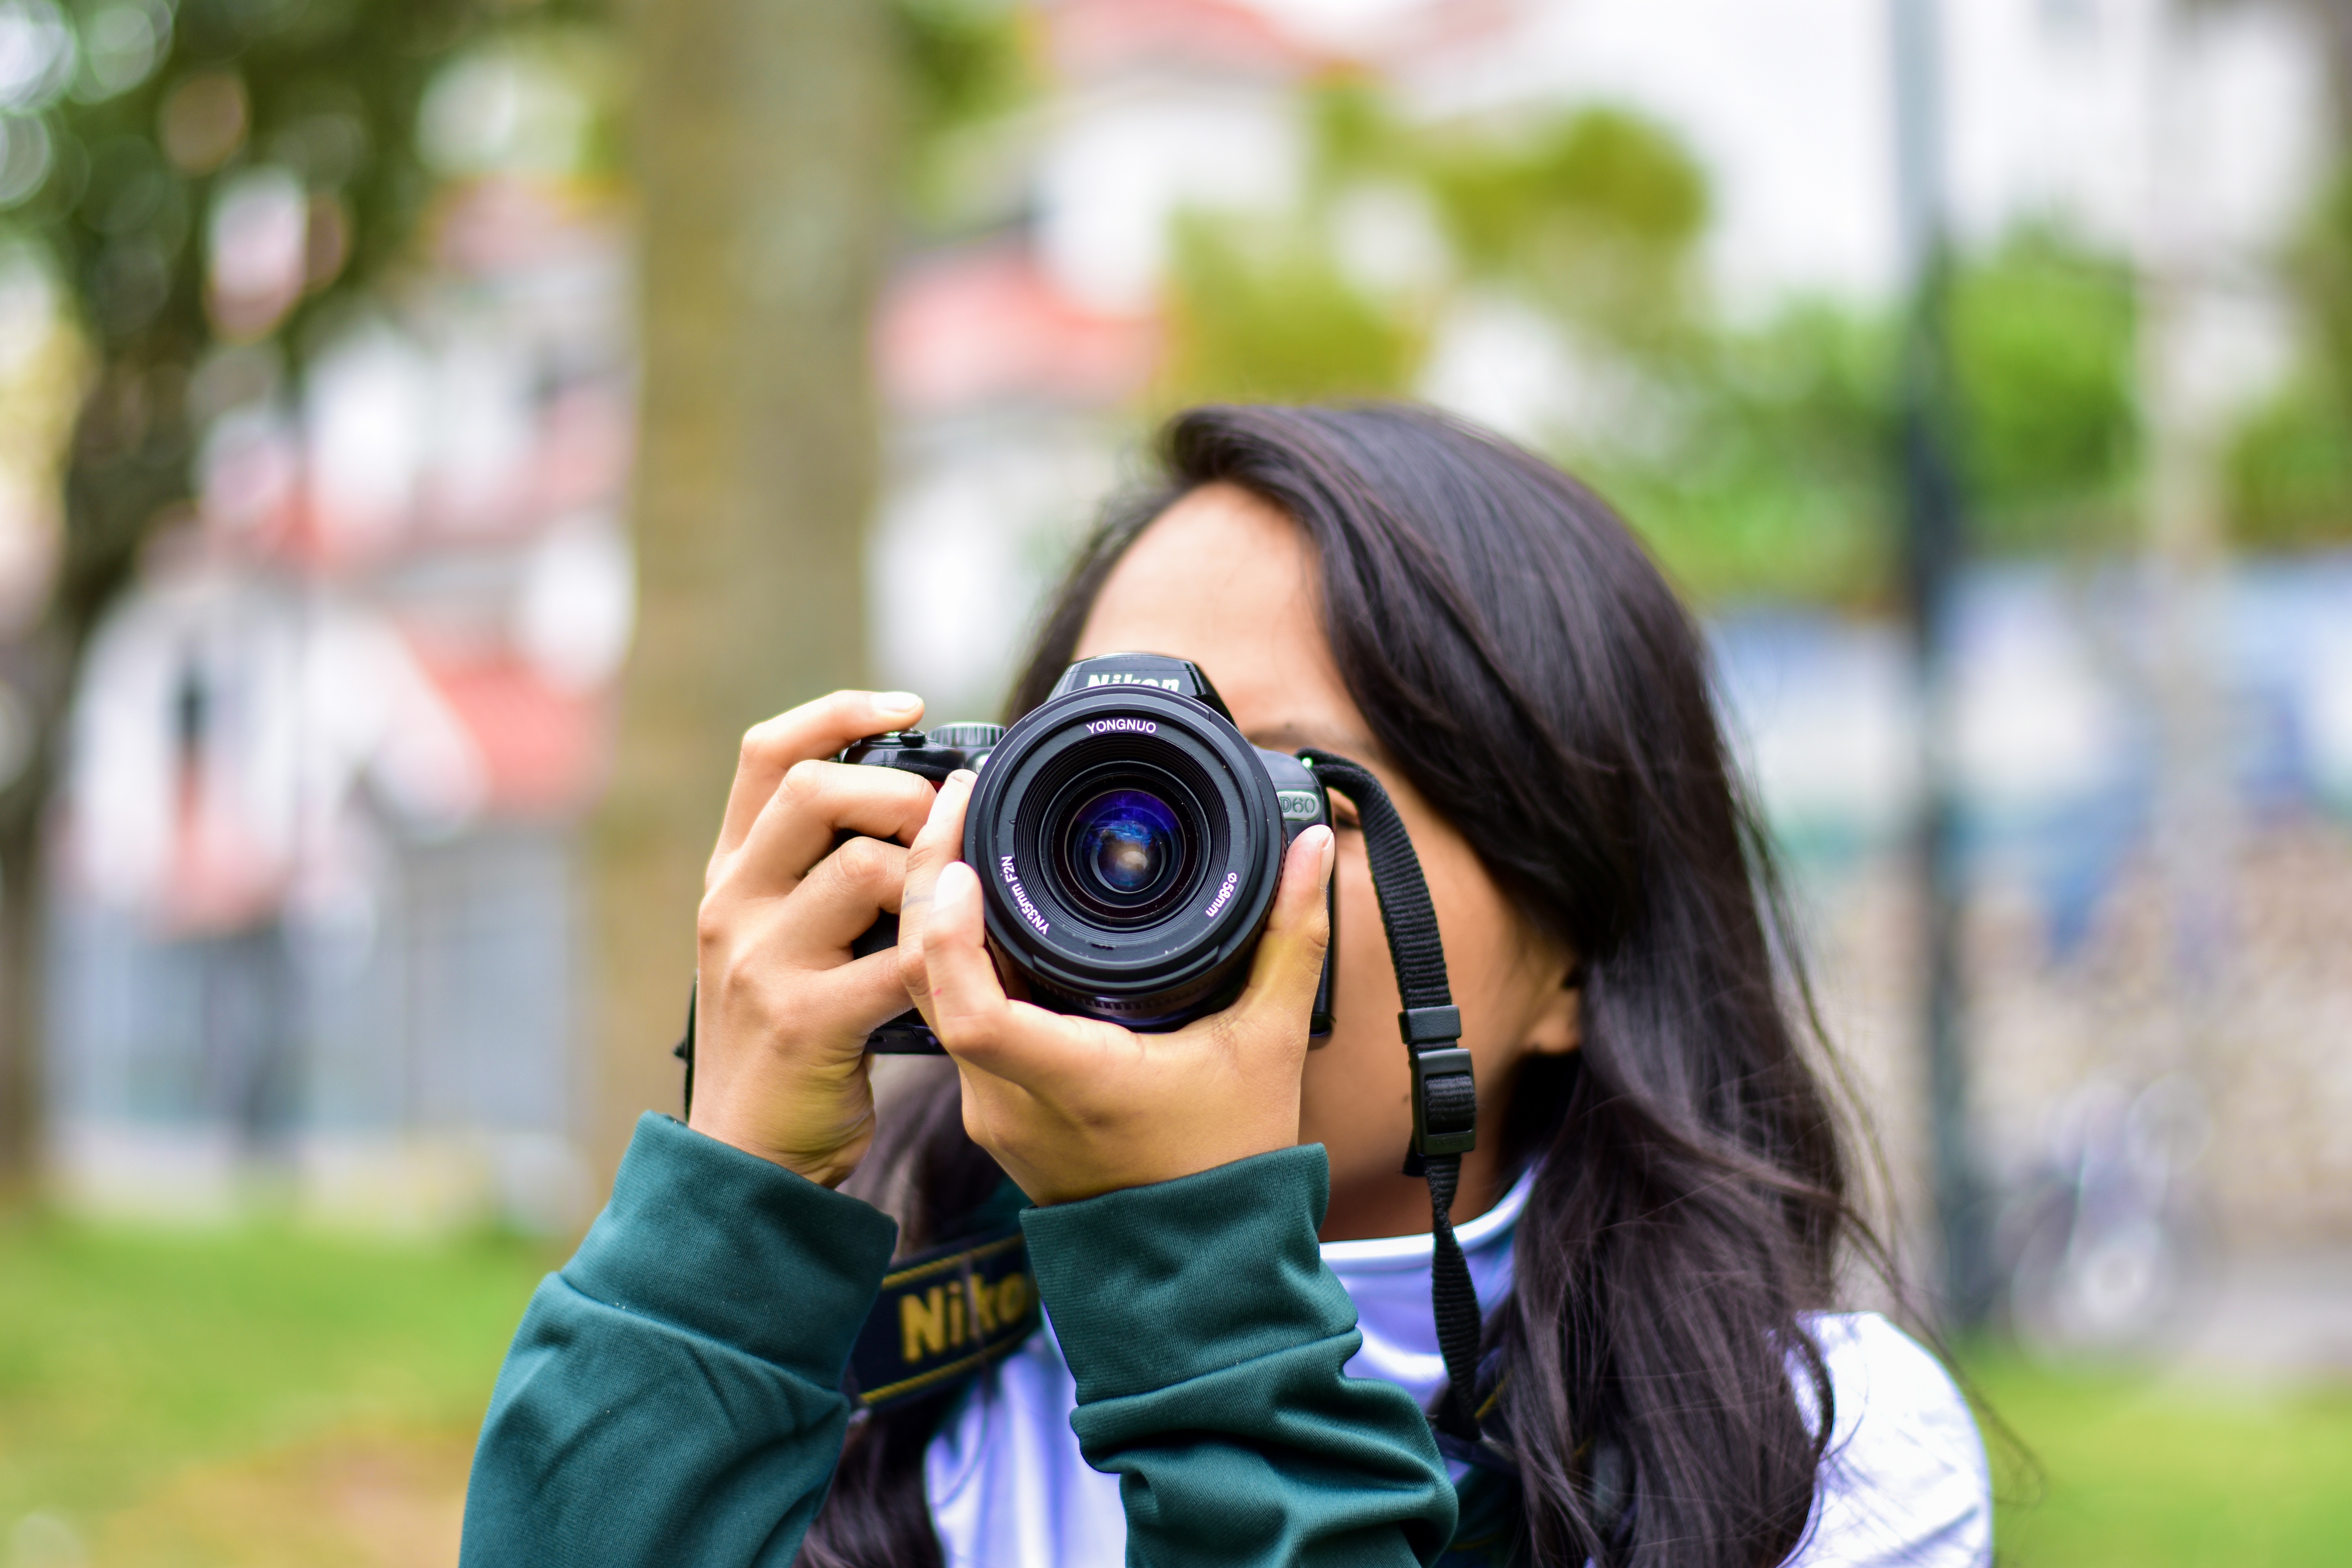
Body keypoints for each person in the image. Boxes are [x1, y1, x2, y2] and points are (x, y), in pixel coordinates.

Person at [460, 405, 1992, 1568]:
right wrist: (732, 1224)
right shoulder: (879, 1377)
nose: (1154, 858)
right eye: (1096, 782)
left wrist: (1198, 1294)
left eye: (1281, 784)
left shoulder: (1818, 1454)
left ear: (1575, 956)